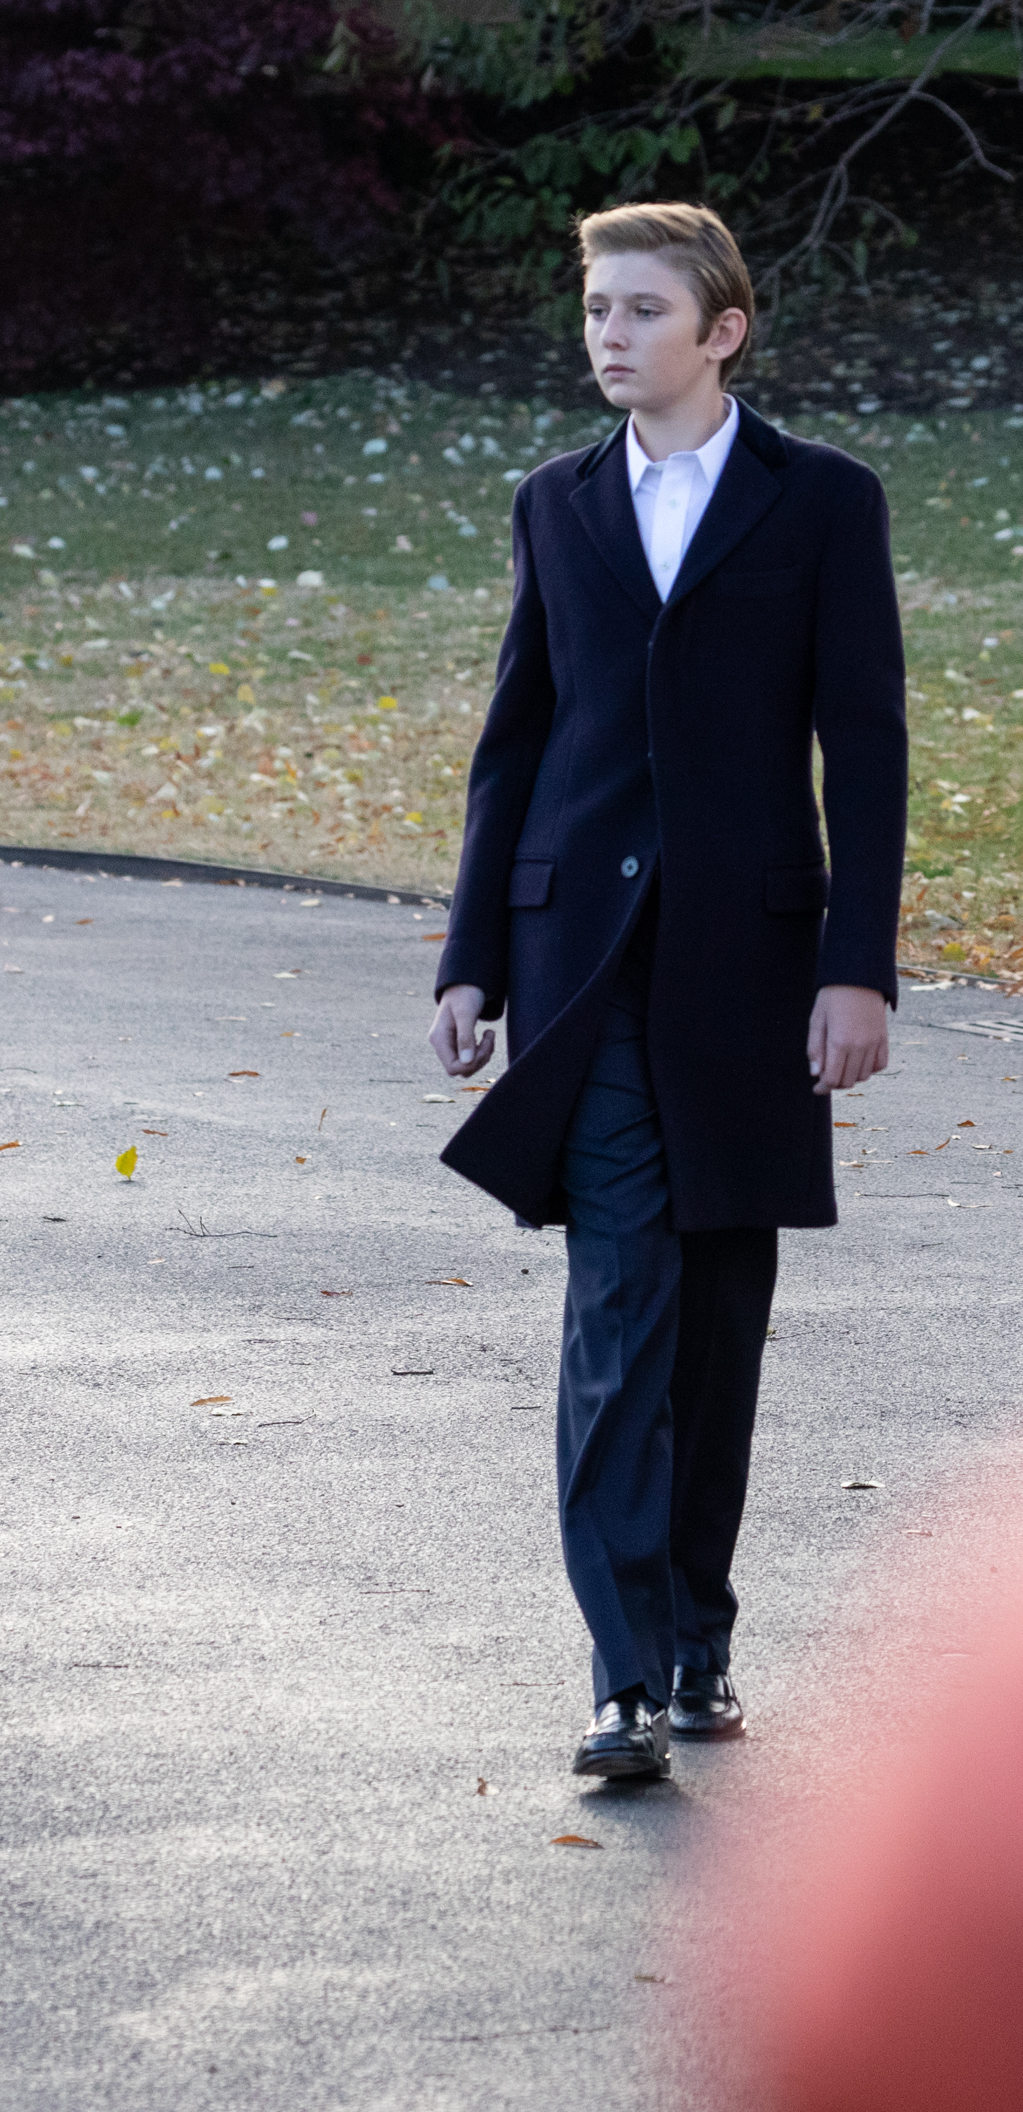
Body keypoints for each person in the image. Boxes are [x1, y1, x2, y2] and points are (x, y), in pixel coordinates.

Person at [427, 202, 906, 1780]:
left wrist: (857, 971)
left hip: (754, 972)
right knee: (618, 1310)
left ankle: (700, 1641)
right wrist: (474, 955)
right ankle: (623, 1673)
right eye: (595, 311)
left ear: (723, 331)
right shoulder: (554, 505)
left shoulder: (823, 503)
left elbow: (870, 748)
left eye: (642, 310)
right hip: (584, 976)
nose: (609, 336)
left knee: (721, 1325)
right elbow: (517, 743)